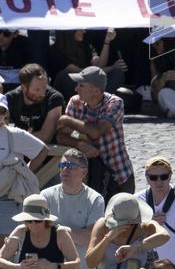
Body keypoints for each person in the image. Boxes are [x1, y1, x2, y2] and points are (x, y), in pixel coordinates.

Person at [0, 92, 47, 236]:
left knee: (4, 248)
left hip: (6, 198)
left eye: (2, 110)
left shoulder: (14, 134)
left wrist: (24, 171)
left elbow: (42, 150)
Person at [40, 148, 104, 269]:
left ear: (84, 172)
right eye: (62, 164)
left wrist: (60, 230)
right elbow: (39, 233)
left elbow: (89, 237)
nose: (64, 169)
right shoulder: (45, 196)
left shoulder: (95, 199)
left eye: (70, 165)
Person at [57, 65, 135, 199]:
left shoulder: (115, 103)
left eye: (81, 85)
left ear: (96, 91)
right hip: (92, 176)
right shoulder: (75, 102)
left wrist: (67, 120)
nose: (76, 89)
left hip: (118, 174)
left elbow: (96, 132)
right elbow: (61, 137)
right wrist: (80, 145)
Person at [86, 193, 170, 269]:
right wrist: (107, 238)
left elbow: (165, 236)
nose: (127, 228)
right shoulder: (103, 225)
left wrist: (135, 246)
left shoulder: (146, 227)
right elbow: (90, 263)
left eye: (131, 224)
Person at [6, 63, 64, 143]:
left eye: (44, 87)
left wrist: (15, 139)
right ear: (23, 88)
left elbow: (45, 136)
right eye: (37, 90)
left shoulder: (54, 98)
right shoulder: (10, 99)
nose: (42, 93)